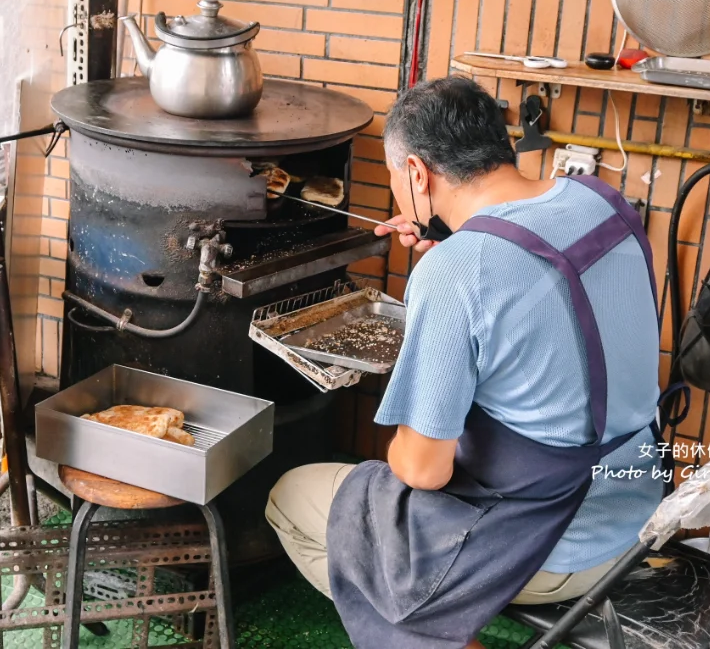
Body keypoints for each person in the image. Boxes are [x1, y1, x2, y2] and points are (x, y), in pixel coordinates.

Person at [265, 76, 664, 649]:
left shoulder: (458, 271)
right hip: (635, 506)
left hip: (555, 541)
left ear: (418, 174)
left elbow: (425, 472)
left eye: (399, 182)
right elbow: (554, 309)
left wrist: (448, 271)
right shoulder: (601, 200)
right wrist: (457, 251)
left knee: (293, 497)